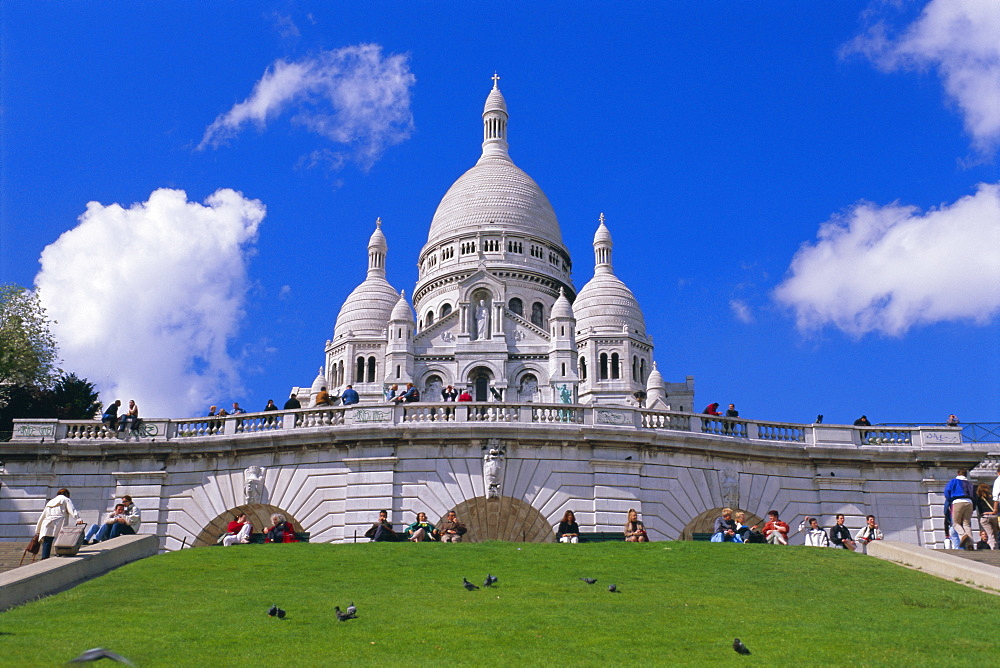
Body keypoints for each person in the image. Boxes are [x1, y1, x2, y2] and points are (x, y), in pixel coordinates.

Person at [34, 488, 83, 559]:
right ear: (66, 494)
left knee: (47, 539)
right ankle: (59, 553)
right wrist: (78, 518)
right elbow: (71, 509)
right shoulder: (66, 499)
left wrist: (38, 530)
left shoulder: (50, 502)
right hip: (59, 521)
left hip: (47, 521)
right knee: (60, 538)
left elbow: (43, 516)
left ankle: (45, 556)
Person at [945, 468, 975, 549]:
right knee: (967, 524)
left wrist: (950, 500)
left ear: (958, 473)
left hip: (957, 501)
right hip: (969, 502)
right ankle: (970, 544)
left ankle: (963, 535)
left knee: (955, 523)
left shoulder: (954, 481)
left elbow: (947, 491)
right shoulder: (969, 483)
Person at [975, 483, 997, 550]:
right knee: (995, 534)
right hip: (994, 516)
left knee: (990, 534)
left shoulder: (978, 498)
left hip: (985, 517)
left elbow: (979, 510)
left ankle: (993, 548)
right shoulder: (992, 497)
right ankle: (996, 547)